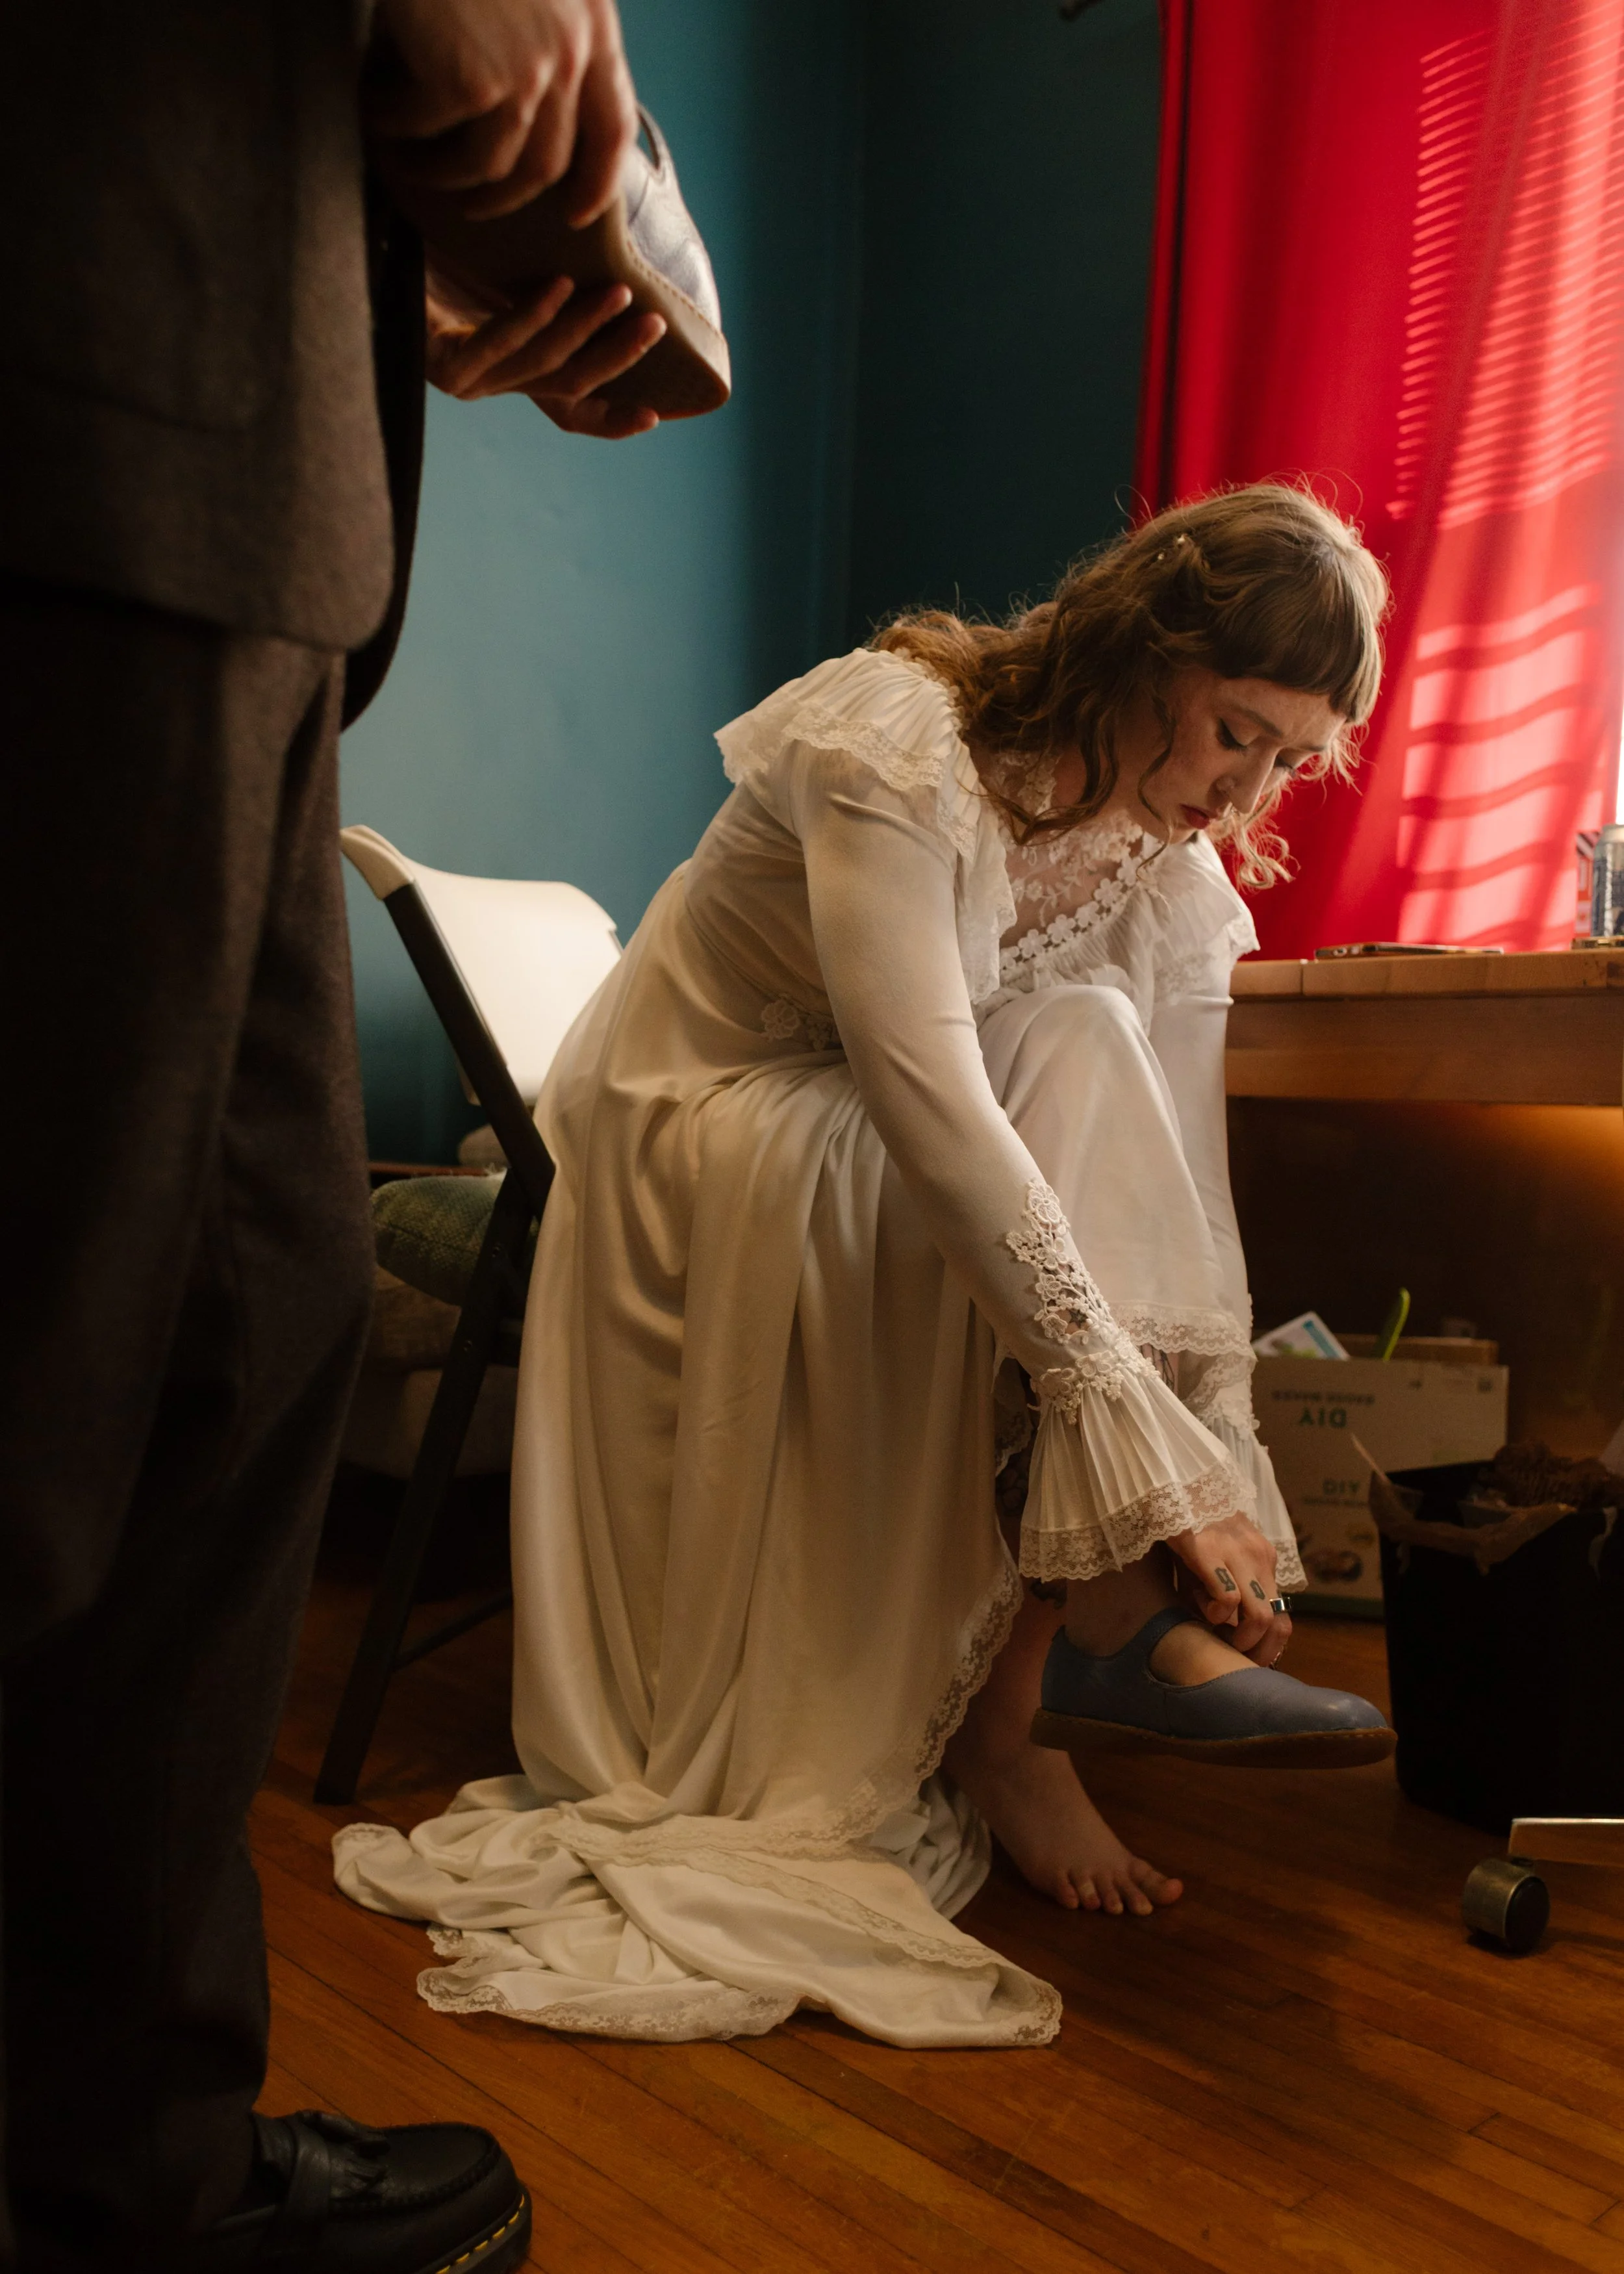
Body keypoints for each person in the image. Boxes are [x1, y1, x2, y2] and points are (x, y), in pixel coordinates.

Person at [338, 484, 1396, 2047]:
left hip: (866, 1133)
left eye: (1285, 761)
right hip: (692, 1115)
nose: (1245, 786)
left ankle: (1039, 1672)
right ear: (1143, 641)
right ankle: (1066, 1666)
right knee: (1056, 1074)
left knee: (1092, 1052)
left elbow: (1191, 1184)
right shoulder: (901, 738)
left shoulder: (1172, 886)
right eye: (1235, 729)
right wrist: (1141, 1460)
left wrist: (1210, 1448)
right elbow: (931, 1101)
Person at [0, 1, 668, 2267]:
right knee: (42, 1384)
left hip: (262, 468)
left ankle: (123, 2172)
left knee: (235, 1338)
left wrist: (403, 248)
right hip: (78, 392)